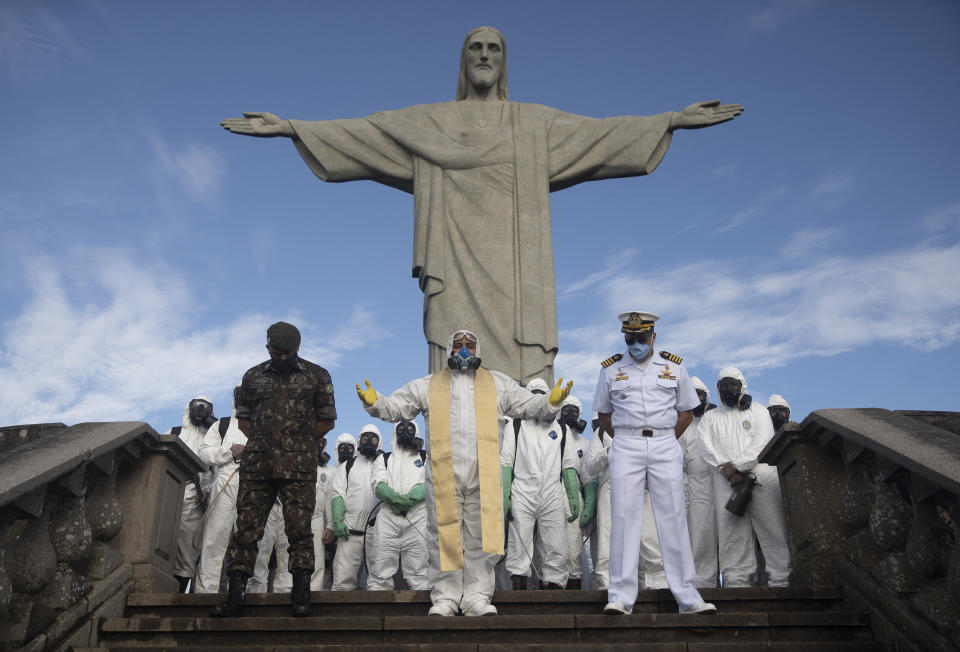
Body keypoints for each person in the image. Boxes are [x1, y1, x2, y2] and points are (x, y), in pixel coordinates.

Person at [221, 26, 743, 385]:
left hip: (518, 273)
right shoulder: (430, 123)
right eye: (475, 49)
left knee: (523, 390)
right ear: (464, 60)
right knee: (455, 372)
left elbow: (599, 135)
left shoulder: (532, 123)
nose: (485, 56)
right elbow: (368, 132)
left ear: (505, 59)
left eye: (494, 48)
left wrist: (670, 119)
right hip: (454, 261)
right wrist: (293, 127)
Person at [356, 329, 572, 616]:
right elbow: (399, 406)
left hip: (484, 472)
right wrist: (376, 403)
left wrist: (550, 402)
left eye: (469, 345)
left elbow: (526, 403)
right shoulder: (431, 384)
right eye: (458, 345)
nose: (464, 349)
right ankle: (444, 598)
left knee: (481, 537)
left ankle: (477, 597)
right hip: (445, 473)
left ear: (478, 348)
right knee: (443, 536)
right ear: (449, 350)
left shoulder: (496, 383)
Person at [593, 311, 716, 615]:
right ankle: (620, 596)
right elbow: (604, 415)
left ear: (653, 337)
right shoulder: (611, 369)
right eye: (630, 338)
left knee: (673, 517)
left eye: (641, 338)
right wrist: (625, 439)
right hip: (626, 443)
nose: (635, 343)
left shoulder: (674, 366)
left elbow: (687, 411)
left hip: (664, 441)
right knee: (623, 518)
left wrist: (665, 440)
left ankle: (688, 597)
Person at [212, 321, 336, 618]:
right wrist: (266, 441)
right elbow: (244, 419)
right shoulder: (253, 376)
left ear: (298, 349)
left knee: (299, 531)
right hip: (258, 466)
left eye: (288, 354)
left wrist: (299, 443)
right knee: (245, 531)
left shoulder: (317, 375)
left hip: (298, 467)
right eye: (277, 353)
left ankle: (301, 595)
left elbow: (327, 420)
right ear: (268, 348)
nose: (283, 358)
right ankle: (235, 596)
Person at [698, 367, 792, 588]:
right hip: (725, 481)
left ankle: (781, 578)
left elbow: (762, 441)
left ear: (742, 387)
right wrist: (728, 471)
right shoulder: (710, 418)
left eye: (732, 385)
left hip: (760, 476)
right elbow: (705, 447)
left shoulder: (758, 411)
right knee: (731, 533)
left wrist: (739, 467)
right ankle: (736, 581)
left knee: (772, 528)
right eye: (722, 387)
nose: (727, 391)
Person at [501, 378, 580, 590]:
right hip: (522, 493)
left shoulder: (561, 428)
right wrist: (505, 495)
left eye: (541, 394)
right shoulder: (516, 425)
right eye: (532, 393)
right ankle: (519, 584)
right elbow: (506, 463)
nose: (537, 398)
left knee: (556, 543)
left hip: (552, 493)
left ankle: (553, 586)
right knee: (519, 541)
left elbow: (569, 465)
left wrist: (572, 495)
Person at [195, 386, 246, 593]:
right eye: (240, 393)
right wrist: (228, 452)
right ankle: (205, 594)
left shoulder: (264, 424)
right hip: (225, 482)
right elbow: (204, 454)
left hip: (255, 487)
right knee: (213, 541)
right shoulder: (222, 425)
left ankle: (245, 594)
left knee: (251, 545)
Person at [367, 420, 429, 590]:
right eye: (401, 428)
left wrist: (411, 498)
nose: (405, 431)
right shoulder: (384, 458)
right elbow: (377, 483)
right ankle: (377, 610)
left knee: (419, 570)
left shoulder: (424, 458)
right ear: (395, 432)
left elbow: (431, 482)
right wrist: (395, 498)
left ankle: (421, 611)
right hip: (388, 518)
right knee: (380, 566)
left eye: (410, 428)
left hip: (417, 517)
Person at [166, 395, 216, 593]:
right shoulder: (174, 432)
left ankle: (178, 593)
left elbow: (217, 472)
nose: (200, 410)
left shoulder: (213, 437)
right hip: (170, 492)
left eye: (205, 407)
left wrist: (207, 490)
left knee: (188, 548)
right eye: (197, 405)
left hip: (196, 498)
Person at [330, 427, 382, 590]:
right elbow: (337, 493)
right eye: (365, 439)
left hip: (377, 532)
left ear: (379, 441)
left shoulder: (384, 464)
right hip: (349, 532)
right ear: (359, 441)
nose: (368, 442)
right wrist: (337, 521)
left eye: (373, 439)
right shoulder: (347, 466)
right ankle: (339, 614)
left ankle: (377, 614)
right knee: (342, 580)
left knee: (379, 581)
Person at [681, 376, 720, 587]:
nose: (696, 400)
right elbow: (678, 461)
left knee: (730, 536)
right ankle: (704, 584)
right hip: (697, 489)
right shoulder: (683, 426)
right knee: (701, 537)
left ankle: (733, 580)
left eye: (700, 395)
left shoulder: (716, 419)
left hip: (722, 482)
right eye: (692, 395)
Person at [558, 395, 594, 590]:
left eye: (574, 411)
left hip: (574, 498)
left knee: (574, 546)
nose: (570, 414)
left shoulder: (585, 444)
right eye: (566, 410)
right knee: (549, 546)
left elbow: (588, 477)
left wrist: (589, 503)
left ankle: (573, 587)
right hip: (552, 492)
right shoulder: (551, 436)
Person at [311, 438, 335, 591]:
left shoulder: (328, 471)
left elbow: (329, 500)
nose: (318, 444)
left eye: (322, 442)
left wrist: (331, 526)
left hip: (317, 519)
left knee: (318, 561)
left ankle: (313, 593)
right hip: (293, 516)